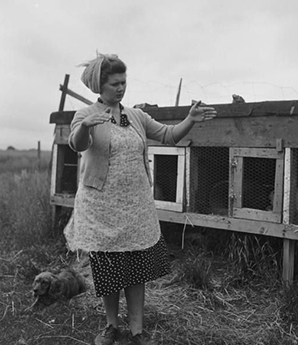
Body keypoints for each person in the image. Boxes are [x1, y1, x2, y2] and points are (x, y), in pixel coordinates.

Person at [64, 52, 217, 345]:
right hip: (102, 206)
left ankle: (137, 331)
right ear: (100, 86)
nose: (121, 88)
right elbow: (76, 144)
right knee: (108, 268)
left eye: (124, 82)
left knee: (136, 268)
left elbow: (169, 135)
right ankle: (111, 327)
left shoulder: (135, 115)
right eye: (114, 84)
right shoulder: (86, 114)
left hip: (135, 206)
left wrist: (190, 119)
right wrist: (86, 126)